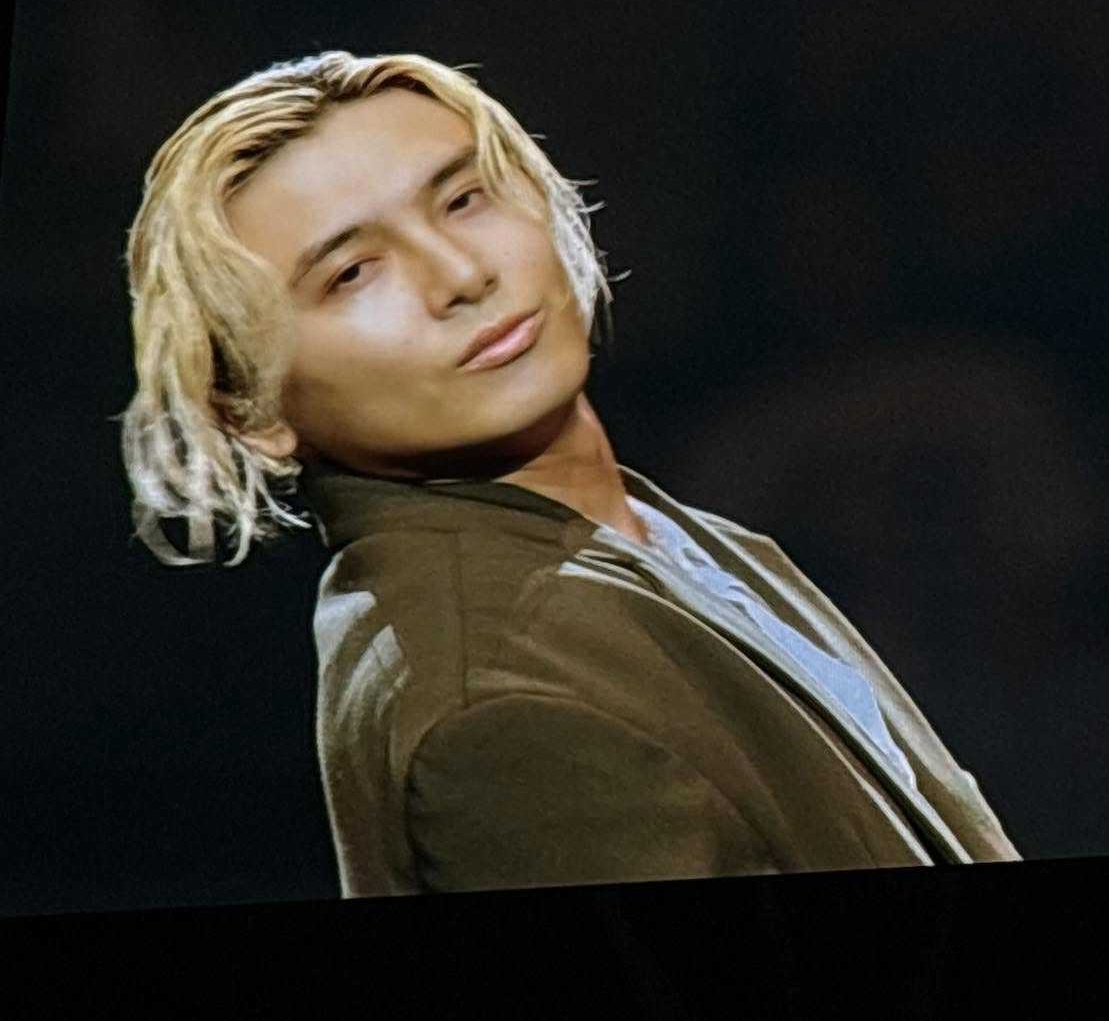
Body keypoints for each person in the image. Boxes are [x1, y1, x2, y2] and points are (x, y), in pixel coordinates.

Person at [118, 50, 1020, 895]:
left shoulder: (641, 543)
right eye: (353, 272)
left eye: (464, 199)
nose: (461, 274)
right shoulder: (503, 698)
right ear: (252, 411)